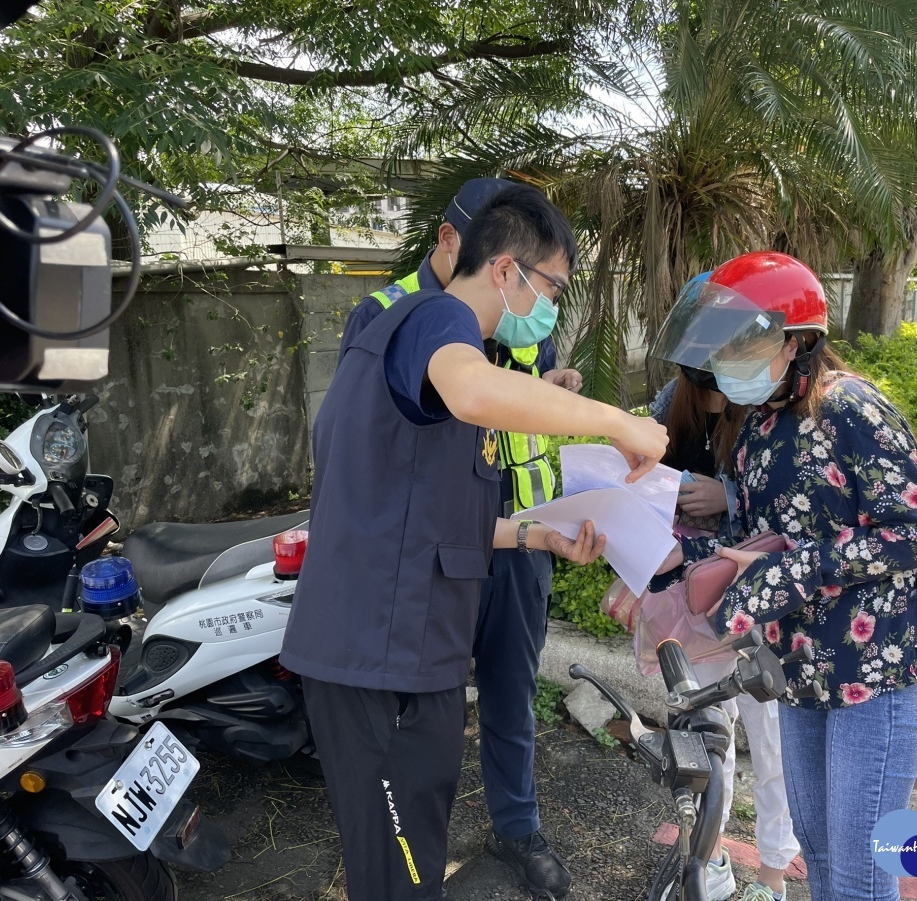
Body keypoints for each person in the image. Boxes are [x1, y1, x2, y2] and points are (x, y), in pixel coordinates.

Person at [280, 184, 667, 901]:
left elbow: (427, 515)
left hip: (405, 657)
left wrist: (534, 533)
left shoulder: (453, 349)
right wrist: (616, 420)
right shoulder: (432, 320)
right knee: (397, 872)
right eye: (552, 285)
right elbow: (470, 390)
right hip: (379, 661)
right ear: (505, 270)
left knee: (410, 861)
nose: (551, 305)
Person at [650, 251, 917, 901]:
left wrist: (791, 568)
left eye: (745, 340)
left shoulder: (852, 409)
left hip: (875, 671)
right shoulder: (760, 427)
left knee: (858, 875)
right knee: (820, 859)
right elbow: (760, 541)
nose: (726, 358)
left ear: (797, 340)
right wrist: (681, 558)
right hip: (800, 670)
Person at [342, 176, 584, 897]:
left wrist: (552, 389)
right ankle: (410, 858)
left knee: (511, 693)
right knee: (422, 719)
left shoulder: (514, 318)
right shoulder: (388, 314)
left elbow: (509, 407)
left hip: (518, 544)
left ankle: (517, 828)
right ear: (452, 241)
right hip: (432, 555)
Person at [641, 350, 799, 901]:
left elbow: (799, 510)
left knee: (775, 738)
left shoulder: (778, 406)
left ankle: (774, 875)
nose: (716, 396)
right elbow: (644, 479)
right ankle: (707, 857)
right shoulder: (672, 401)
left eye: (723, 389)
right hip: (695, 600)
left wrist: (727, 496)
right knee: (710, 734)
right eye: (703, 386)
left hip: (760, 599)